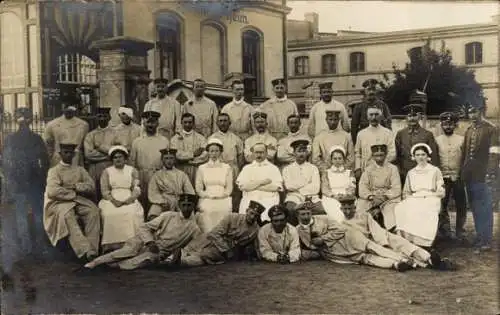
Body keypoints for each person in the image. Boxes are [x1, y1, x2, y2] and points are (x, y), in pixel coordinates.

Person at [1, 107, 48, 299]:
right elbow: (5, 161)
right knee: (29, 216)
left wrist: (39, 177)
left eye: (24, 119)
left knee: (32, 216)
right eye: (21, 119)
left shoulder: (31, 139)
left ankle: (31, 248)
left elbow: (44, 160)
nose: (23, 122)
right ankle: (32, 249)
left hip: (29, 183)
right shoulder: (20, 139)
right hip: (25, 183)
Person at [84, 194, 202, 270]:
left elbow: (191, 247)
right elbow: (144, 227)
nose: (186, 208)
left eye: (189, 205)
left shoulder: (194, 228)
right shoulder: (169, 215)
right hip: (146, 242)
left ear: (193, 207)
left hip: (160, 251)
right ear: (179, 205)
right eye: (184, 205)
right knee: (128, 251)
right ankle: (95, 262)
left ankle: (110, 267)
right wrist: (150, 242)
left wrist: (172, 255)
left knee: (141, 262)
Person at [296, 198, 415, 272]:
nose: (306, 217)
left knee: (373, 248)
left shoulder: (324, 219)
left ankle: (405, 259)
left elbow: (340, 229)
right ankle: (395, 264)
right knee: (365, 259)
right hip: (335, 251)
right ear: (298, 216)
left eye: (308, 213)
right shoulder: (298, 230)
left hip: (349, 238)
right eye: (303, 214)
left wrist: (323, 239)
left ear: (311, 213)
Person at [341, 195, 456, 271]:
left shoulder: (364, 215)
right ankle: (420, 263)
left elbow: (376, 229)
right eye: (345, 209)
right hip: (369, 244)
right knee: (390, 252)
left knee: (401, 242)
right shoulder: (342, 224)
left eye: (350, 208)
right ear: (341, 209)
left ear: (354, 207)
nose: (347, 211)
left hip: (379, 237)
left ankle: (429, 258)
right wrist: (379, 244)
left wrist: (383, 241)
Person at [43, 143, 101, 262]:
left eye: (71, 153)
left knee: (93, 211)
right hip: (59, 203)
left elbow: (91, 186)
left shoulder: (80, 170)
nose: (68, 155)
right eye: (66, 152)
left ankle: (93, 251)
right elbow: (53, 192)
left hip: (79, 200)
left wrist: (75, 186)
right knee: (68, 215)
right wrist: (72, 193)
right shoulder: (54, 171)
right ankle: (85, 251)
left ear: (74, 154)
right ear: (60, 154)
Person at [462, 103, 499, 253]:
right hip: (470, 175)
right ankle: (479, 236)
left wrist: (490, 173)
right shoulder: (469, 130)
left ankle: (486, 240)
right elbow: (465, 153)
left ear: (481, 111)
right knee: (475, 206)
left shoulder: (491, 129)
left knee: (485, 207)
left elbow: (495, 153)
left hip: (483, 174)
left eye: (475, 111)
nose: (472, 115)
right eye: (470, 112)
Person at [180, 200, 265, 266]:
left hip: (222, 251)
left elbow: (257, 246)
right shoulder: (232, 217)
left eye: (256, 215)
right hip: (210, 240)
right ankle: (175, 258)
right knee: (188, 249)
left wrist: (257, 256)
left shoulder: (256, 230)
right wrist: (226, 249)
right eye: (251, 213)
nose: (252, 217)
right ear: (246, 210)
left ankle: (180, 262)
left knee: (204, 256)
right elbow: (214, 233)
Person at [394, 143, 445, 248]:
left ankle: (424, 242)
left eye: (423, 154)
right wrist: (410, 200)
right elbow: (406, 192)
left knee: (424, 210)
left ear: (427, 156)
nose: (420, 157)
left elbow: (441, 189)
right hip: (415, 197)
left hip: (431, 197)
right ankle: (408, 240)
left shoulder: (435, 170)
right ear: (414, 157)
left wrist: (435, 194)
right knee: (401, 208)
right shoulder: (411, 172)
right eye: (417, 155)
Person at [98, 146, 144, 252]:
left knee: (132, 212)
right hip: (112, 198)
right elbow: (104, 190)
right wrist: (114, 201)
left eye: (120, 157)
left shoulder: (132, 170)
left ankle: (132, 245)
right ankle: (111, 246)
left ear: (125, 158)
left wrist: (130, 199)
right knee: (108, 213)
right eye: (115, 157)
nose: (118, 159)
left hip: (128, 196)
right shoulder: (107, 171)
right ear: (112, 159)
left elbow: (136, 188)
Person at [395, 93, 439, 185]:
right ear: (406, 117)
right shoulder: (400, 134)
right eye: (409, 116)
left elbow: (433, 157)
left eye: (414, 115)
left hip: (423, 172)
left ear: (419, 116)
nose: (412, 118)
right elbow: (397, 155)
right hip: (405, 172)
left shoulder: (427, 134)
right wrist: (399, 171)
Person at [435, 112, 466, 241]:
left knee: (461, 204)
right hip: (443, 177)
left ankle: (460, 231)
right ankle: (445, 231)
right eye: (445, 124)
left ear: (455, 125)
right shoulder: (437, 140)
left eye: (450, 124)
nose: (448, 126)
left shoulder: (461, 139)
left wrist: (461, 174)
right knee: (442, 204)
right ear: (442, 125)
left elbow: (464, 158)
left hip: (458, 177)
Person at [129, 110, 170, 208]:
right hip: (142, 176)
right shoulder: (137, 142)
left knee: (157, 203)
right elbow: (132, 163)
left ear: (157, 123)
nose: (150, 125)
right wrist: (135, 181)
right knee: (142, 202)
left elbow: (168, 161)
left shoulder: (164, 141)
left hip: (158, 176)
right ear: (144, 123)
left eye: (153, 122)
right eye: (148, 122)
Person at [357, 144, 401, 231]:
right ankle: (363, 231)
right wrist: (371, 196)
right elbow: (362, 187)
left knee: (391, 212)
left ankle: (391, 232)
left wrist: (384, 197)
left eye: (381, 155)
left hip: (388, 198)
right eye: (376, 155)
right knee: (360, 208)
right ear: (372, 156)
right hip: (372, 197)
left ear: (386, 155)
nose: (379, 158)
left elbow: (396, 187)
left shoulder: (393, 168)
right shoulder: (368, 169)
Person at [237, 143, 283, 221]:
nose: (259, 155)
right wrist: (262, 182)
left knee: (266, 217)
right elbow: (243, 187)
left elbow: (276, 187)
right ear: (253, 153)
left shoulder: (273, 168)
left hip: (269, 199)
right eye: (256, 152)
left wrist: (252, 185)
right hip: (250, 198)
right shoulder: (247, 168)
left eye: (261, 152)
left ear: (266, 153)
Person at [282, 139, 324, 225]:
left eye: (304, 151)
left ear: (307, 153)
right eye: (299, 151)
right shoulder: (287, 169)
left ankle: (316, 233)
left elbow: (316, 188)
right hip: (294, 197)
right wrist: (306, 181)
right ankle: (294, 234)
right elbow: (289, 186)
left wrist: (299, 190)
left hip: (311, 198)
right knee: (290, 210)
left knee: (321, 209)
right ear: (294, 153)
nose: (301, 154)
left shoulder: (313, 168)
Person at [195, 138, 233, 233]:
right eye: (212, 151)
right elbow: (198, 188)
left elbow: (229, 188)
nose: (214, 154)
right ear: (208, 152)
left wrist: (222, 195)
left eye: (217, 151)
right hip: (207, 197)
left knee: (224, 211)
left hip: (222, 197)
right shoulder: (202, 168)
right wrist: (207, 195)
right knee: (207, 211)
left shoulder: (226, 167)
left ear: (220, 152)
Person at [147, 148, 195, 221]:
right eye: (166, 158)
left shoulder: (181, 174)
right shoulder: (157, 175)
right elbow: (153, 192)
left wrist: (183, 201)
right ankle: (157, 231)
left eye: (171, 158)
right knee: (154, 212)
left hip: (179, 200)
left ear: (175, 160)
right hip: (164, 201)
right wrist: (162, 201)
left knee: (188, 214)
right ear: (162, 160)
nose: (169, 161)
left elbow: (189, 191)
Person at [354, 104, 395, 180]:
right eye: (371, 115)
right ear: (367, 116)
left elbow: (392, 153)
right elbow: (357, 153)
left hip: (383, 169)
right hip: (365, 170)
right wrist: (358, 168)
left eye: (376, 114)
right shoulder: (361, 134)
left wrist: (379, 164)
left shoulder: (388, 133)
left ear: (381, 116)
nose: (373, 117)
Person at [83, 107, 114, 197]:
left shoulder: (116, 133)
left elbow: (116, 151)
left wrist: (100, 148)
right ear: (96, 118)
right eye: (99, 116)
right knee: (95, 194)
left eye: (105, 116)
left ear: (109, 117)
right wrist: (108, 155)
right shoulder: (90, 135)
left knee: (109, 193)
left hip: (110, 167)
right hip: (94, 169)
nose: (102, 118)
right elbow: (88, 154)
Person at [170, 113, 208, 185]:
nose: (187, 124)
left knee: (196, 190)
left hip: (196, 169)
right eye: (185, 122)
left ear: (193, 123)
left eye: (190, 122)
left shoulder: (200, 138)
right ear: (181, 123)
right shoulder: (175, 139)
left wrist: (187, 161)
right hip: (181, 169)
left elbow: (205, 155)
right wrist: (193, 154)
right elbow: (176, 155)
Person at [320, 146, 355, 223]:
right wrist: (334, 196)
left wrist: (346, 196)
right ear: (331, 160)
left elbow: (352, 186)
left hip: (347, 197)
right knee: (338, 212)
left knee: (353, 210)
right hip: (331, 197)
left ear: (343, 159)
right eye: (335, 158)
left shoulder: (349, 172)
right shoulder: (326, 172)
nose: (337, 161)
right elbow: (324, 188)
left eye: (340, 158)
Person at [350, 79, 392, 143]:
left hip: (380, 138)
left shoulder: (383, 105)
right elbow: (354, 127)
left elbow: (388, 123)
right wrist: (356, 142)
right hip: (365, 138)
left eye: (373, 89)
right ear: (365, 91)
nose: (371, 92)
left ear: (376, 91)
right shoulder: (359, 107)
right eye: (369, 89)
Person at [209, 113, 245, 179]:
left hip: (233, 170)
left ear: (229, 123)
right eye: (220, 121)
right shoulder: (212, 138)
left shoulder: (236, 138)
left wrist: (237, 169)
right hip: (217, 169)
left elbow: (240, 156)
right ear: (217, 123)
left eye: (225, 121)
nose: (223, 123)